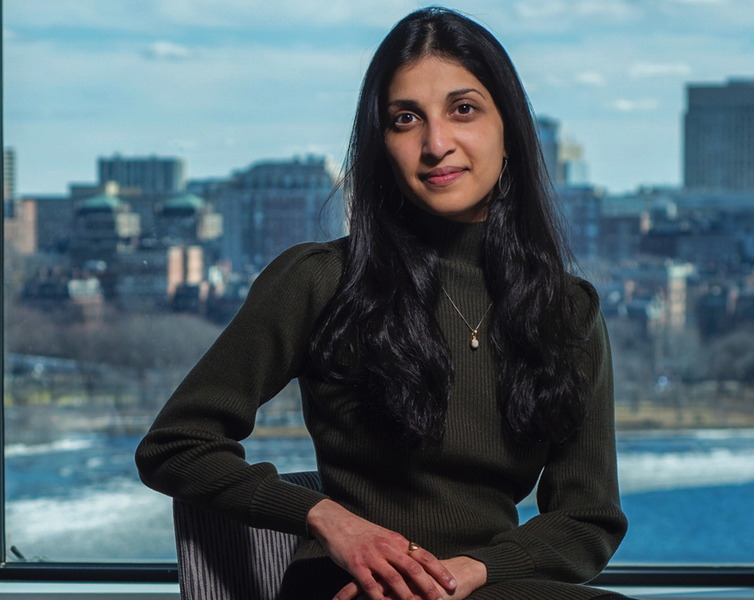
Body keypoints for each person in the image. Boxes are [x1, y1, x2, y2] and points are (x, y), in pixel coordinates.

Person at [135, 7, 628, 600]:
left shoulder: (566, 310)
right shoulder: (321, 280)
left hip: (480, 587)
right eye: (405, 119)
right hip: (348, 587)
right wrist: (328, 519)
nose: (436, 144)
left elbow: (587, 520)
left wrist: (468, 572)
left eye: (463, 109)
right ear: (382, 145)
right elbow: (175, 446)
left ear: (509, 132)